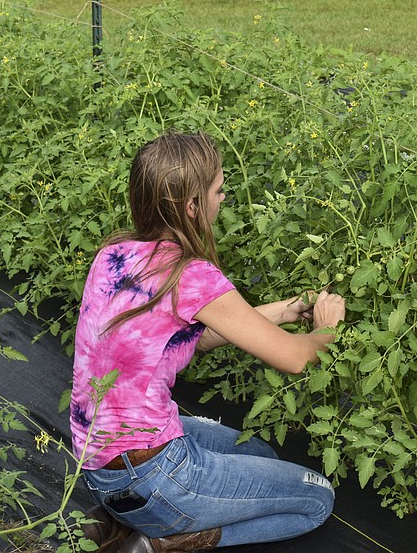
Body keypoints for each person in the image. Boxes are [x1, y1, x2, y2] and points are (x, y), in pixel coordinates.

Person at [69, 131, 345, 553]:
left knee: (258, 453)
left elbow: (194, 339)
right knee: (316, 499)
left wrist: (287, 310)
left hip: (100, 467)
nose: (223, 198)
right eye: (218, 190)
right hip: (154, 474)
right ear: (192, 206)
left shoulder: (115, 255)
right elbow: (295, 358)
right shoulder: (190, 274)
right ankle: (165, 541)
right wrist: (325, 328)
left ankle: (120, 519)